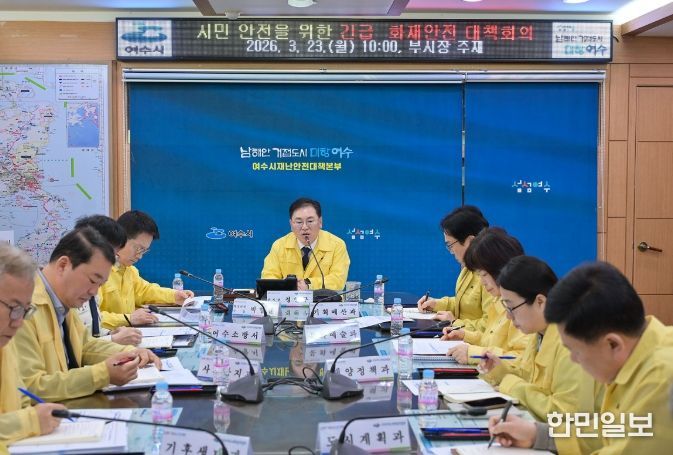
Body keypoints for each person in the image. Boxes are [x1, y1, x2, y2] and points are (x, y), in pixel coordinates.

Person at [488, 262, 673, 454]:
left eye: (576, 351)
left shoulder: (660, 379)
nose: (574, 360)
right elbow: (610, 428)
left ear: (613, 344)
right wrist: (538, 435)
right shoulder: (639, 353)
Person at [13, 227, 162, 402]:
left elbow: (84, 346)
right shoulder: (23, 308)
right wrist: (102, 374)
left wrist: (129, 352)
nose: (94, 292)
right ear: (63, 265)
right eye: (92, 281)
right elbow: (29, 387)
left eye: (100, 285)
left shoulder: (63, 299)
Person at [478, 256, 599, 425]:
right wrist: (501, 371)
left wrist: (513, 386)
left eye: (511, 307)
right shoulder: (541, 332)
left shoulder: (571, 343)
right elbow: (531, 378)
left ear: (540, 302)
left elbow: (566, 415)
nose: (508, 316)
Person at [0, 244, 65, 445]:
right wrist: (30, 421)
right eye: (13, 308)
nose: (18, 322)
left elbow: (22, 401)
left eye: (24, 310)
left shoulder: (6, 345)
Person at [442, 227, 531, 364]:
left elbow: (522, 361)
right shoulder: (498, 300)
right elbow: (491, 340)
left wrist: (473, 354)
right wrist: (465, 336)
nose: (482, 282)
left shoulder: (522, 306)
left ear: (499, 268)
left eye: (483, 274)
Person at [99, 210, 194, 329]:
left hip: (128, 335)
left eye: (144, 251)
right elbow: (88, 319)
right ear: (120, 238)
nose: (139, 256)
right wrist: (128, 319)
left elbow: (145, 291)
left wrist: (174, 295)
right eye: (138, 248)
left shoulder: (130, 270)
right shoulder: (97, 273)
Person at [416, 206, 493, 331]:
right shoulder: (468, 268)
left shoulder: (490, 275)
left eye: (450, 245)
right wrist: (437, 304)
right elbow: (464, 304)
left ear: (470, 241)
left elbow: (491, 326)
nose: (450, 251)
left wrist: (455, 322)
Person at [73, 215, 142, 346]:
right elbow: (74, 348)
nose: (114, 261)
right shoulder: (72, 292)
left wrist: (110, 334)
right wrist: (113, 339)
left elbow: (92, 332)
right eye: (111, 255)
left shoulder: (91, 286)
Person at [261, 197, 350, 291]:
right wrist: (288, 285)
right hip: (289, 299)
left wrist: (308, 284)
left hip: (323, 299)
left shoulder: (337, 245)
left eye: (310, 221)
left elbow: (338, 280)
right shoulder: (279, 245)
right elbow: (268, 278)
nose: (304, 227)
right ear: (291, 224)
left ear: (320, 222)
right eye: (299, 222)